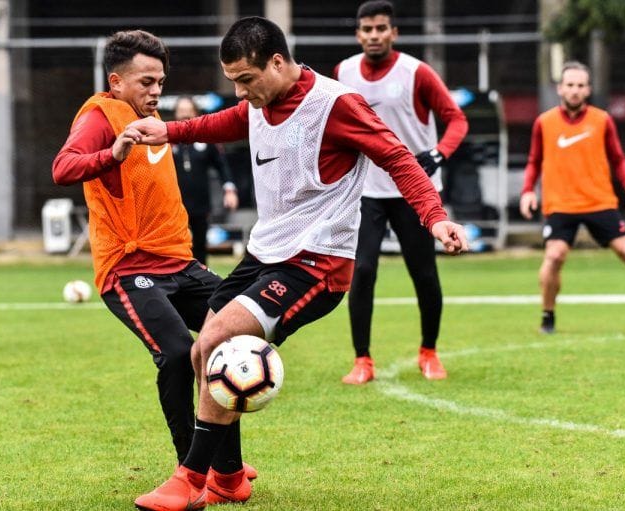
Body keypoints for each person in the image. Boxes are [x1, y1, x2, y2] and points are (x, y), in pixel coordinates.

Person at [127, 17, 468, 511]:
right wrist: (169, 132)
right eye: (234, 83)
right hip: (265, 253)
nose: (242, 92)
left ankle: (190, 478)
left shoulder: (335, 105)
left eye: (247, 79)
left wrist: (434, 218)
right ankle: (227, 477)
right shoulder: (257, 102)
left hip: (317, 263)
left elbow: (397, 157)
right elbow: (227, 121)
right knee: (204, 351)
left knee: (222, 340)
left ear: (279, 62)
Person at [51, 30, 255, 491]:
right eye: (146, 82)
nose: (156, 91)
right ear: (116, 80)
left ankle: (227, 468)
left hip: (179, 263)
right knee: (180, 354)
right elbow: (63, 168)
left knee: (228, 338)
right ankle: (192, 469)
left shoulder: (153, 116)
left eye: (160, 81)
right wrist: (111, 152)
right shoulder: (100, 115)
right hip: (129, 270)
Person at [335, 0, 468, 383]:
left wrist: (439, 153)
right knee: (361, 271)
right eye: (367, 29)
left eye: (381, 28)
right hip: (366, 191)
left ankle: (429, 351)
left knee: (423, 274)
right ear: (358, 33)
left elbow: (457, 120)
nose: (374, 35)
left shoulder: (417, 73)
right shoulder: (343, 72)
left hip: (415, 192)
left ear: (394, 32)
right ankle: (362, 360)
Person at [520, 60, 625, 334]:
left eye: (580, 85)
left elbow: (618, 158)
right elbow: (534, 161)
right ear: (560, 88)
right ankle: (548, 317)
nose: (575, 90)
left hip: (599, 201)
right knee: (555, 255)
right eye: (570, 85)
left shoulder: (602, 120)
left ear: (588, 89)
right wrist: (527, 191)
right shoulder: (544, 123)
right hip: (560, 203)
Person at [172, 96, 239, 264]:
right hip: (174, 206)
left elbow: (222, 166)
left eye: (188, 112)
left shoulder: (205, 139)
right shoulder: (167, 141)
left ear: (195, 113)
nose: (184, 116)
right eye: (181, 112)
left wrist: (229, 190)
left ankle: (202, 285)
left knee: (200, 247)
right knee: (177, 249)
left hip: (201, 206)